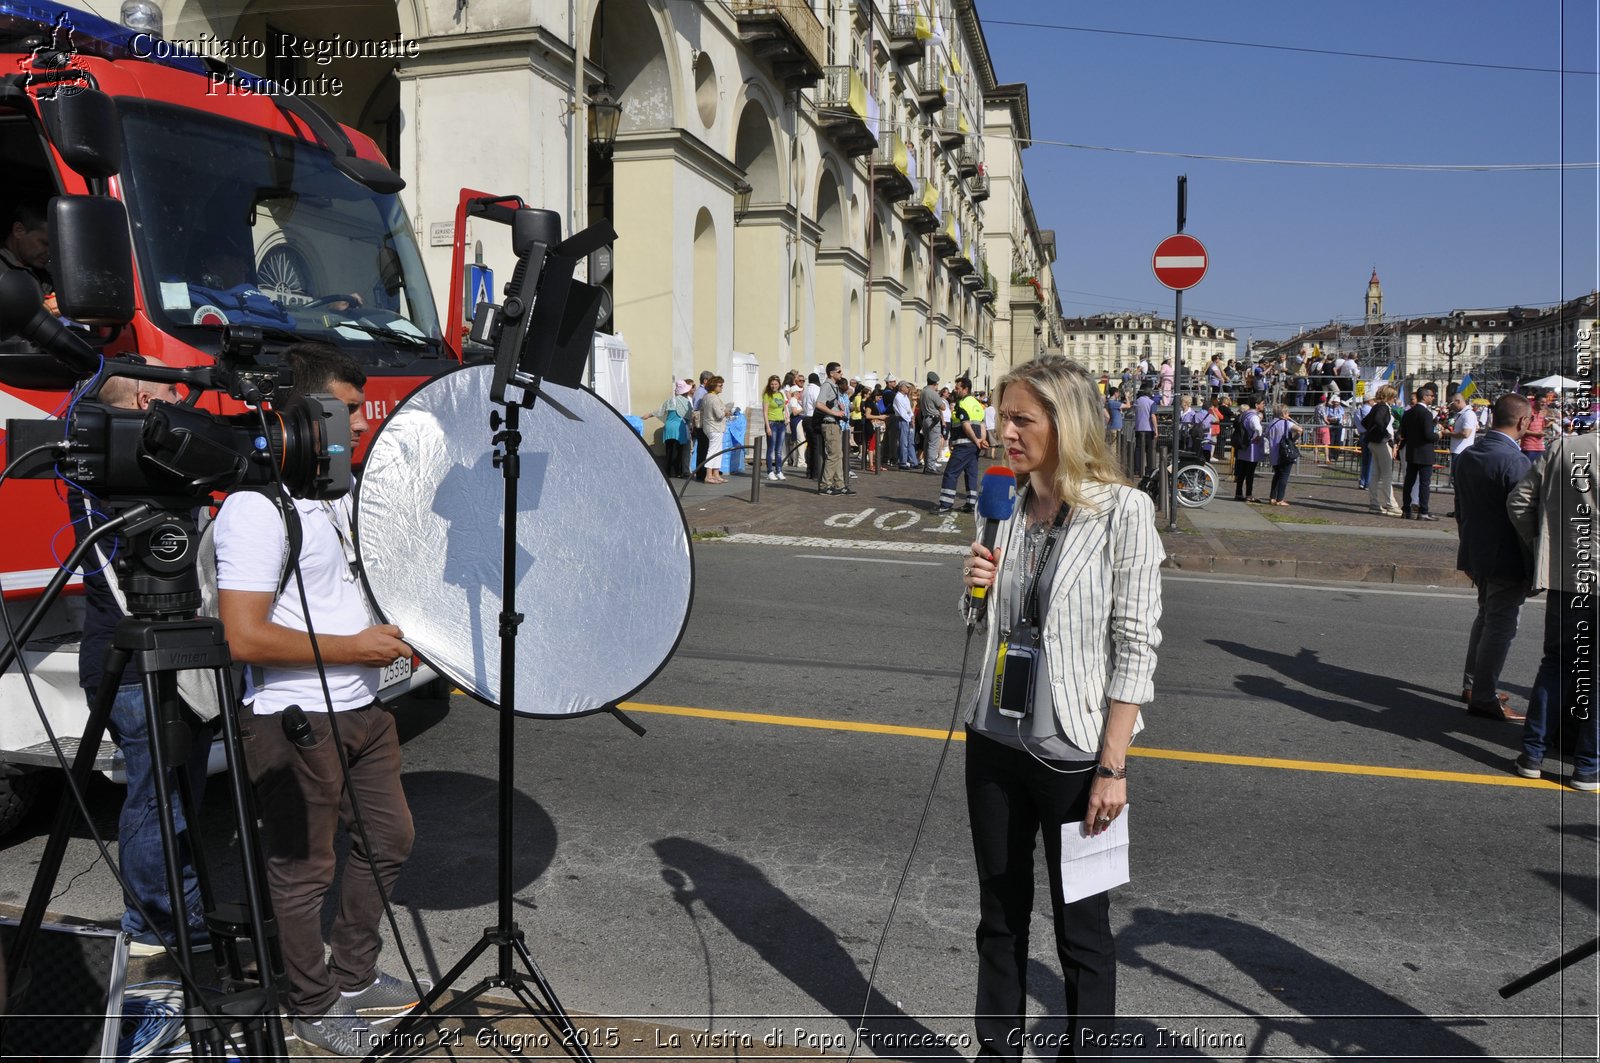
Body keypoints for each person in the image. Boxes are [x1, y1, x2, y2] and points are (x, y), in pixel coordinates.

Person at [218, 344, 421, 1052]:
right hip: (295, 715)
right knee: (304, 868)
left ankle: (355, 973)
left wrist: (392, 635)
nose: (362, 424)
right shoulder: (254, 508)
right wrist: (352, 649)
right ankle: (312, 1002)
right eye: (346, 410)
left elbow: (341, 595)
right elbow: (244, 636)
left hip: (365, 704)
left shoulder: (334, 495)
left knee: (390, 838)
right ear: (298, 417)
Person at [960, 355, 1163, 1061]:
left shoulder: (1123, 512)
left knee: (1082, 930)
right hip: (992, 739)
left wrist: (1114, 766)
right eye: (1002, 415)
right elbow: (979, 620)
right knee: (999, 916)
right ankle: (998, 1052)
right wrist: (977, 583)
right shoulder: (1003, 504)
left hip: (1077, 755)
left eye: (1021, 418)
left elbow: (1136, 647)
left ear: (1064, 423)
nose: (1003, 430)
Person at [75, 358, 209, 958]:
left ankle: (181, 918)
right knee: (159, 803)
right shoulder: (107, 477)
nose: (181, 403)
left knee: (179, 798)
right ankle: (154, 931)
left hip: (176, 658)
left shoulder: (163, 472)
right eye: (166, 395)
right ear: (135, 409)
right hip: (132, 665)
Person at [1508, 429, 1599, 789]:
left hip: (1566, 575)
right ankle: (1587, 766)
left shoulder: (1567, 447)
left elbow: (1519, 501)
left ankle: (1532, 754)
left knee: (1557, 663)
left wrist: (1542, 544)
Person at [1451, 394, 1535, 724]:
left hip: (1477, 549)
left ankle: (1475, 685)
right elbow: (1525, 515)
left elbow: (1460, 507)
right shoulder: (1515, 462)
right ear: (1523, 422)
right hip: (1506, 556)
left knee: (1486, 617)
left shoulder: (1471, 454)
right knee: (1501, 625)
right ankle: (1483, 695)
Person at [935, 376, 989, 514]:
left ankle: (945, 503)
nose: (955, 390)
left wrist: (976, 441)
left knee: (951, 472)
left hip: (964, 444)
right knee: (971, 474)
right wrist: (981, 440)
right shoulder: (978, 404)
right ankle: (971, 504)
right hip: (974, 447)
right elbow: (982, 425)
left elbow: (965, 425)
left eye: (958, 388)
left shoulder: (962, 404)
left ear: (965, 389)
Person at [1397, 383, 1441, 520]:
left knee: (1409, 481)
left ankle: (1406, 509)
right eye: (1431, 396)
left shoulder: (1408, 413)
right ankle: (1423, 511)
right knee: (1424, 482)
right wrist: (1438, 436)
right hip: (1425, 452)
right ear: (1425, 396)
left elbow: (1403, 432)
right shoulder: (1426, 414)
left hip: (1412, 450)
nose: (1433, 398)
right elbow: (1428, 435)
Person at [2, 203, 54, 313]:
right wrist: (47, 311)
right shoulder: (2, 271)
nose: (50, 252)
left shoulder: (45, 275)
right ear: (18, 230)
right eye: (45, 243)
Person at [1362, 384, 1401, 516]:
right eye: (1394, 396)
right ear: (1389, 396)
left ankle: (1374, 502)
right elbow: (1379, 421)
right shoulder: (1384, 407)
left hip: (1374, 442)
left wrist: (1373, 431)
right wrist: (1385, 434)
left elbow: (1364, 422)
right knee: (1386, 475)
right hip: (1383, 442)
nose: (1395, 399)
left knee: (1375, 474)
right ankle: (1391, 504)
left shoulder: (1376, 407)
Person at [814, 362, 851, 495]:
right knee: (833, 455)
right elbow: (819, 404)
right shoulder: (827, 386)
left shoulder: (833, 386)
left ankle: (839, 484)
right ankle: (825, 485)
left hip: (835, 424)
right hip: (829, 424)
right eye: (839, 371)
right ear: (832, 373)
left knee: (838, 455)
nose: (842, 374)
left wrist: (837, 406)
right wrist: (835, 413)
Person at [646, 380, 693, 479]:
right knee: (682, 450)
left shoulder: (670, 401)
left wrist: (648, 415)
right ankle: (682, 471)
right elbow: (689, 416)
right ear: (686, 392)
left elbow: (659, 411)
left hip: (668, 427)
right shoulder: (686, 402)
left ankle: (670, 472)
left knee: (670, 449)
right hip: (680, 428)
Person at [1263, 404, 1302, 506]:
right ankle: (1280, 499)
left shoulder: (1271, 423)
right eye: (1287, 412)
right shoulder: (1286, 423)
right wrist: (1293, 439)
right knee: (1284, 476)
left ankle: (1272, 497)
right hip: (1284, 453)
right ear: (1284, 413)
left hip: (1274, 452)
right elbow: (1299, 429)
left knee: (1277, 475)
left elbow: (1266, 434)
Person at [1232, 396, 1264, 502]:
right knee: (1250, 472)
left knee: (1241, 471)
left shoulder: (1244, 414)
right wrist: (1258, 436)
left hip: (1242, 446)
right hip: (1251, 447)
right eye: (1262, 403)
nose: (1263, 405)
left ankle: (1238, 493)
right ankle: (1249, 494)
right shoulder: (1253, 416)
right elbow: (1258, 428)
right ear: (1256, 404)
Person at [698, 376, 730, 484]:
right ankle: (709, 475)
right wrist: (726, 411)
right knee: (713, 451)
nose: (722, 388)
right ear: (714, 386)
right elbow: (719, 415)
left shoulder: (706, 397)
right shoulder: (714, 398)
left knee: (717, 451)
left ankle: (716, 474)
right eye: (720, 385)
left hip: (709, 427)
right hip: (715, 427)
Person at [760, 374, 787, 481]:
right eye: (772, 384)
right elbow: (765, 412)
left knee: (779, 449)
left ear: (779, 384)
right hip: (772, 423)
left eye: (775, 384)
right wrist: (767, 427)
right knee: (771, 448)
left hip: (781, 423)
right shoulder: (767, 395)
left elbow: (783, 408)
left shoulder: (781, 394)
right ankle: (770, 471)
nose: (773, 386)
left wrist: (786, 417)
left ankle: (779, 470)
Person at [920, 372, 945, 472]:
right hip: (933, 419)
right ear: (935, 383)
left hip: (925, 418)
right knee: (933, 444)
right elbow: (942, 407)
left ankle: (927, 465)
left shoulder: (923, 391)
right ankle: (930, 466)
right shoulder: (932, 393)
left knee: (927, 443)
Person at [1130, 387, 1156, 477]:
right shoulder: (1151, 402)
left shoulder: (1137, 401)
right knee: (1149, 450)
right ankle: (1149, 469)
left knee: (1138, 449)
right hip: (1148, 429)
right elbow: (1152, 416)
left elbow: (1132, 412)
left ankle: (1137, 469)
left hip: (1138, 428)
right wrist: (1156, 429)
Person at [802, 372, 822, 480]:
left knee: (810, 445)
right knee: (816, 445)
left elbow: (802, 403)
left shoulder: (805, 390)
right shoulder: (816, 389)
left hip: (805, 418)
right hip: (813, 418)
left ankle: (809, 471)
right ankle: (815, 471)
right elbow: (817, 403)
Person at [1520, 393, 1549, 467]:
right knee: (1527, 471)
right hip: (1529, 447)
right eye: (1542, 402)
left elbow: (1540, 429)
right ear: (1535, 401)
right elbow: (1522, 430)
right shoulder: (1528, 413)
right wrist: (1536, 434)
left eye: (1545, 402)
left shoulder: (1542, 414)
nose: (1544, 404)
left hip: (1540, 447)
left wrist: (1547, 424)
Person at [894, 379, 918, 469]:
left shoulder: (905, 397)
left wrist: (911, 417)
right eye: (906, 387)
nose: (908, 388)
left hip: (908, 419)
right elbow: (902, 412)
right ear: (902, 387)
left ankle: (913, 461)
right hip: (903, 420)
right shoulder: (898, 397)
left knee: (910, 441)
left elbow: (908, 409)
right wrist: (909, 418)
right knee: (903, 441)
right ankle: (903, 462)